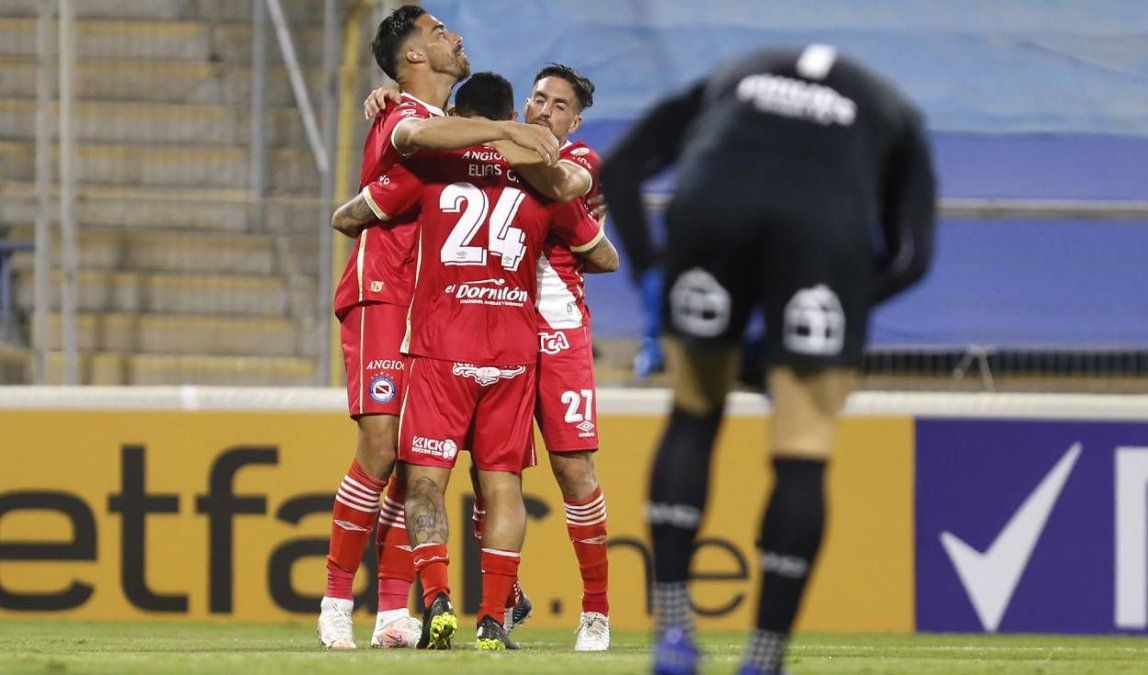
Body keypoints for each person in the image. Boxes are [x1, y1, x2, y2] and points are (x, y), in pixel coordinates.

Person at [599, 44, 936, 675]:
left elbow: (619, 172)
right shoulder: (897, 116)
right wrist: (842, 305)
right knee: (802, 449)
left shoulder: (732, 76)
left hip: (712, 210)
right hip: (824, 232)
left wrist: (651, 274)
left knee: (694, 415)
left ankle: (673, 635)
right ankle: (763, 659)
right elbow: (911, 256)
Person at [332, 72, 618, 651]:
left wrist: (445, 134)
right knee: (499, 482)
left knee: (548, 474)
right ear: (521, 105)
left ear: (575, 121)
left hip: (495, 337)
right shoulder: (539, 182)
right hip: (512, 342)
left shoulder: (478, 163)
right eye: (538, 99)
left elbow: (351, 214)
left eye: (559, 106)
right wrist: (508, 146)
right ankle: (491, 608)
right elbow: (603, 253)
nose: (545, 112)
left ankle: (453, 600)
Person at [320, 5, 559, 651]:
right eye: (436, 32)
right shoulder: (406, 116)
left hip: (431, 307)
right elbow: (415, 143)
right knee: (380, 446)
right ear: (413, 59)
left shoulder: (446, 123)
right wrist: (506, 128)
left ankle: (394, 610)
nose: (454, 35)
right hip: (382, 292)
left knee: (412, 459)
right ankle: (337, 597)